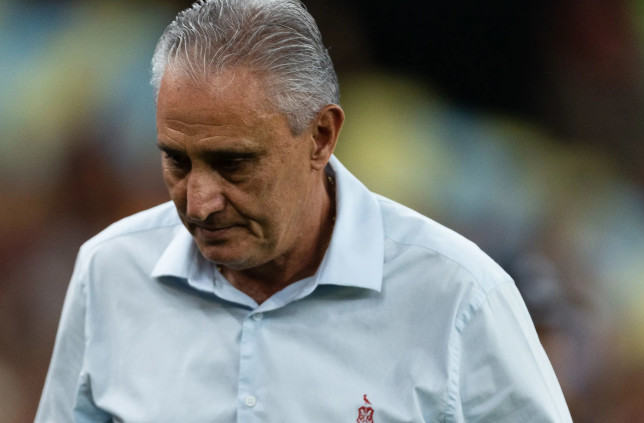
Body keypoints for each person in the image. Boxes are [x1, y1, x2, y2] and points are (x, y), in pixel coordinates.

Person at [35, 0, 573, 421]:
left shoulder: (459, 296)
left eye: (233, 164)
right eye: (177, 160)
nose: (198, 202)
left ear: (320, 136)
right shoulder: (109, 273)